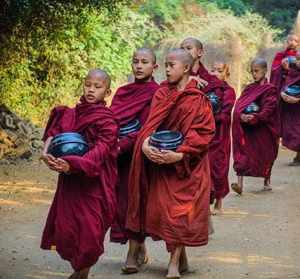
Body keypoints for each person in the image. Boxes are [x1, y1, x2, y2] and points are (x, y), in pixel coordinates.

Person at [124, 48, 215, 278]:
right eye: (165, 65)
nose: (166, 70)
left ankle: (174, 263)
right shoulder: (162, 93)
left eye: (171, 65)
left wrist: (181, 154)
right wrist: (145, 144)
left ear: (186, 68)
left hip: (189, 164)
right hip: (163, 160)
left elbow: (203, 133)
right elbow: (151, 125)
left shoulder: (199, 99)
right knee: (165, 211)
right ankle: (180, 259)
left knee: (181, 213)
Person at [40, 69, 118, 279]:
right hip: (71, 184)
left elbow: (100, 151)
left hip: (96, 183)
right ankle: (80, 273)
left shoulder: (107, 120)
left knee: (91, 233)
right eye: (88, 84)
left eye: (98, 86)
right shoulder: (70, 114)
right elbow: (54, 134)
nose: (91, 89)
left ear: (107, 92)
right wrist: (46, 153)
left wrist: (72, 164)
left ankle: (81, 273)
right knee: (67, 229)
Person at [109, 48, 159, 260]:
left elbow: (150, 126)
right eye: (135, 61)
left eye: (144, 62)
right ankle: (138, 246)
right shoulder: (122, 92)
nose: (139, 66)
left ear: (154, 67)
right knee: (121, 201)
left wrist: (127, 143)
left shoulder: (158, 92)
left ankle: (133, 252)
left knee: (138, 200)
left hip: (142, 154)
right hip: (119, 156)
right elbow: (111, 121)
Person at [231, 58, 280, 195]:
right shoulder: (249, 89)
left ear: (265, 71)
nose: (254, 74)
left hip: (263, 128)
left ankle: (266, 181)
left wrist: (256, 117)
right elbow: (239, 105)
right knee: (242, 153)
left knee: (267, 154)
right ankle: (239, 184)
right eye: (252, 71)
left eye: (257, 71)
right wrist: (240, 116)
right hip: (247, 128)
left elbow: (269, 108)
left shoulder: (270, 89)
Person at [207, 62, 236, 214]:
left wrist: (210, 116)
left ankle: (219, 203)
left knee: (219, 168)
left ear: (226, 74)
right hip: (205, 135)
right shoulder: (204, 88)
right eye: (212, 69)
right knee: (206, 169)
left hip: (220, 136)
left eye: (219, 71)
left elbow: (225, 114)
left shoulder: (229, 91)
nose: (215, 73)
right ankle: (205, 204)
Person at [280, 51, 300, 166]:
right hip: (294, 109)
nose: (298, 62)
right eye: (297, 59)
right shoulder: (293, 72)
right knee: (295, 130)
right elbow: (286, 83)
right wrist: (283, 94)